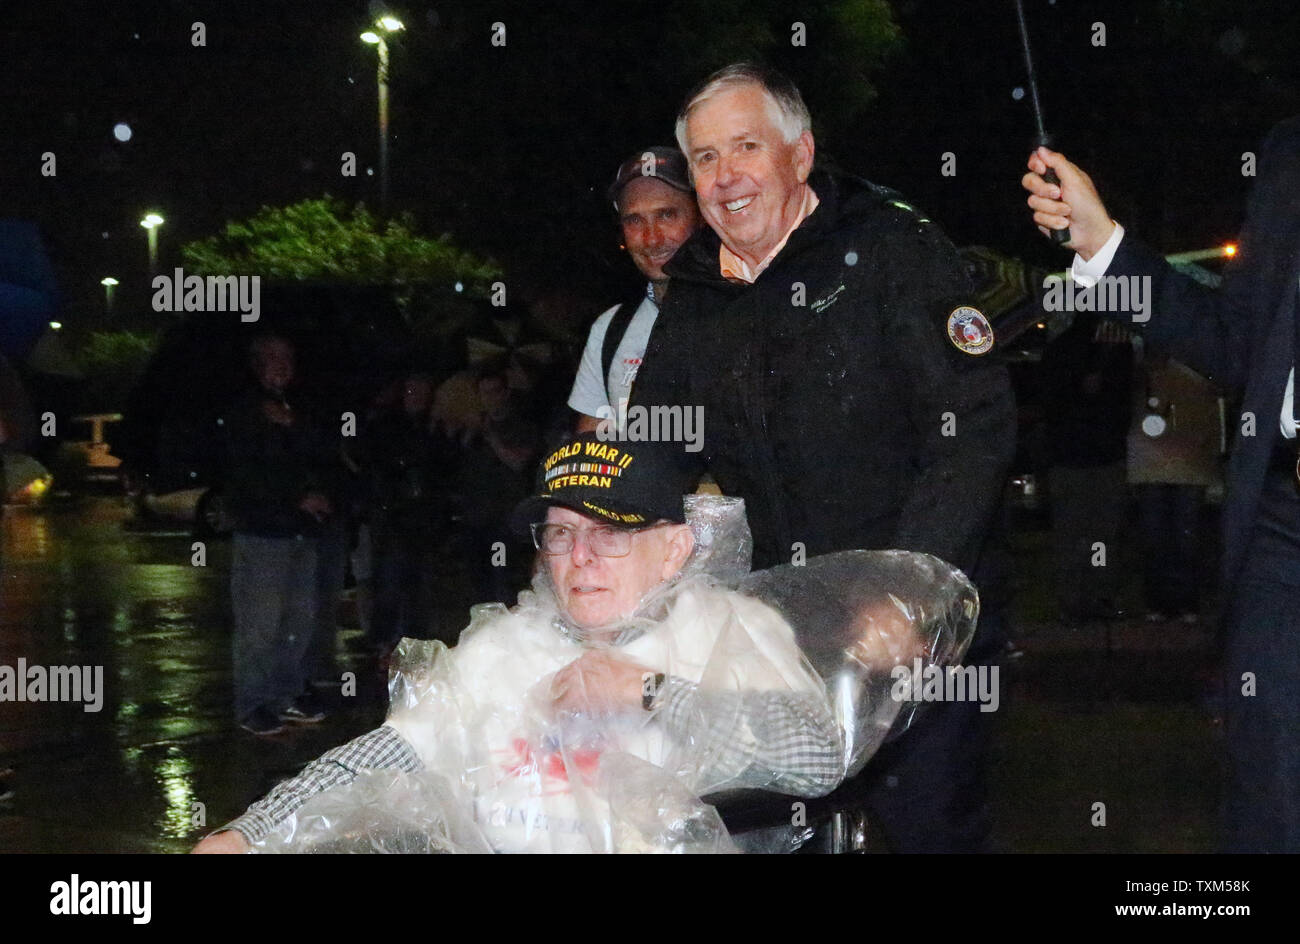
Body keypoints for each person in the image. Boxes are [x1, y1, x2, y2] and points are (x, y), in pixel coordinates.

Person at [629, 62, 1017, 852]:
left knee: (927, 829)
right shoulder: (696, 293)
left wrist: (910, 597)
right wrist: (588, 547)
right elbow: (654, 452)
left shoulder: (892, 251)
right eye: (705, 158)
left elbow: (972, 428)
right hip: (775, 636)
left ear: (799, 156)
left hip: (918, 628)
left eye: (746, 147)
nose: (725, 176)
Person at [192, 434, 846, 853]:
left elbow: (815, 761)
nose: (580, 559)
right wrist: (250, 834)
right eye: (560, 535)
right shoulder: (506, 644)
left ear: (675, 547)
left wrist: (649, 691)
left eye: (609, 534)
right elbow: (386, 755)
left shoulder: (728, 630)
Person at [1022, 118, 1300, 852]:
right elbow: (1234, 341)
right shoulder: (1290, 151)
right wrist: (1103, 243)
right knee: (1274, 793)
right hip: (1286, 529)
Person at [221, 334, 340, 736]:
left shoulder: (297, 408)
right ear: (257, 363)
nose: (283, 366)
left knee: (298, 620)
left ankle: (287, 694)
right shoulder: (243, 409)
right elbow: (244, 473)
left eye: (288, 357)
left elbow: (319, 455)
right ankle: (252, 703)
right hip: (263, 532)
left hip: (301, 532)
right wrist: (295, 497)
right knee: (261, 624)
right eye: (273, 358)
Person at [568, 147, 701, 433]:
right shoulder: (609, 331)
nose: (652, 238)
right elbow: (591, 461)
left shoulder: (747, 314)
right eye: (635, 220)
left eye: (666, 214)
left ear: (701, 217)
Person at [1039, 314, 1134, 622]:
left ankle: (1084, 597)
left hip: (1080, 455)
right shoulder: (1107, 349)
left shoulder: (1070, 349)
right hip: (1088, 456)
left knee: (1079, 533)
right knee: (1095, 534)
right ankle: (1089, 596)